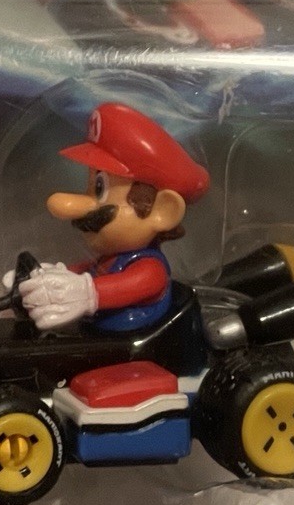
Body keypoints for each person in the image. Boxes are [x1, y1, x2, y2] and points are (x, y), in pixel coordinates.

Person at [14, 102, 209, 333]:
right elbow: (89, 271)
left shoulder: (150, 269)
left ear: (162, 212)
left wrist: (84, 293)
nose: (70, 207)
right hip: (100, 334)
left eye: (100, 190)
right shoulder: (109, 260)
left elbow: (128, 286)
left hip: (133, 340)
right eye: (91, 188)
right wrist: (49, 275)